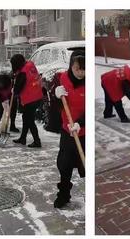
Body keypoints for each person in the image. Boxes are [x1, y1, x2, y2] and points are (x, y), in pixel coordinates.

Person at [53, 50, 86, 209]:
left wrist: (80, 123)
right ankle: (64, 194)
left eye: (83, 69)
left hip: (84, 133)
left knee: (85, 165)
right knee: (64, 165)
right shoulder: (62, 78)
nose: (80, 72)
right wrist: (56, 95)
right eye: (76, 68)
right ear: (71, 66)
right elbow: (57, 105)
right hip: (67, 131)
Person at [11, 54, 43, 148]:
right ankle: (23, 138)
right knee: (26, 118)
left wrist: (14, 89)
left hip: (30, 99)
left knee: (29, 120)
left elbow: (18, 88)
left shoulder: (23, 73)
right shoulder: (30, 65)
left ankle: (37, 141)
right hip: (37, 95)